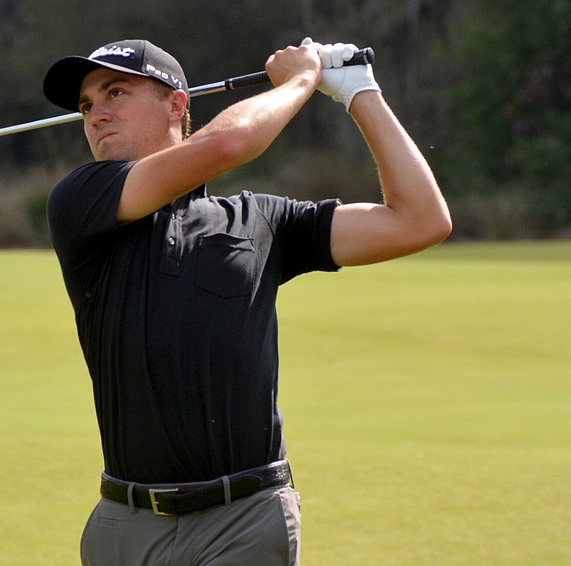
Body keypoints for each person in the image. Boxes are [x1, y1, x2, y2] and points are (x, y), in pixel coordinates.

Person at [42, 38, 451, 565]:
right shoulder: (80, 200)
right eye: (86, 105)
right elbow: (225, 147)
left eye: (115, 92)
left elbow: (420, 219)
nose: (97, 114)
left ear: (177, 103)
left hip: (244, 520)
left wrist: (358, 91)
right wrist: (301, 81)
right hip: (124, 527)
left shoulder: (263, 221)